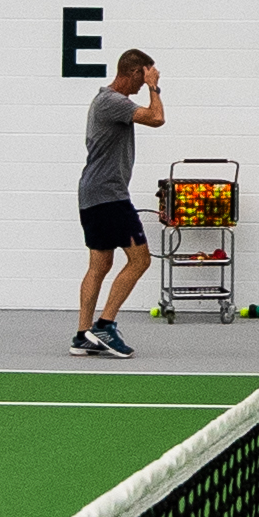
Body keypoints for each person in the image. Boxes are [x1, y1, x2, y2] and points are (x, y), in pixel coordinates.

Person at [72, 48, 163, 358]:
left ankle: (82, 335)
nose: (144, 82)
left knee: (100, 265)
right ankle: (104, 325)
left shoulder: (106, 101)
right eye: (145, 75)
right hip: (109, 195)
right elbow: (157, 118)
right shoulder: (113, 102)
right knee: (141, 260)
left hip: (93, 195)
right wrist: (154, 88)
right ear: (134, 73)